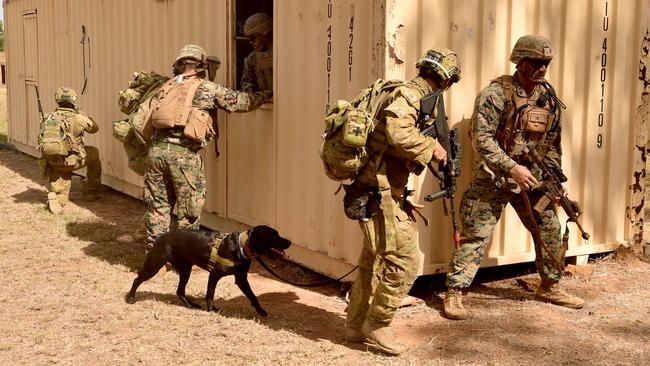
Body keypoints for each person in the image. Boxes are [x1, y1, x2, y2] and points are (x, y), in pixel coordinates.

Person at [443, 35, 584, 320]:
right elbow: (481, 139)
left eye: (546, 62)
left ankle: (549, 286)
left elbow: (551, 145)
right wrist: (511, 167)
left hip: (532, 177)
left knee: (550, 227)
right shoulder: (495, 94)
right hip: (494, 177)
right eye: (536, 62)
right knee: (477, 235)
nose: (542, 68)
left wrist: (556, 179)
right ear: (520, 63)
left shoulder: (549, 100)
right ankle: (455, 291)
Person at [343, 48, 461, 355]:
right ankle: (378, 325)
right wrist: (431, 146)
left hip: (380, 189)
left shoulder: (414, 96)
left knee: (371, 259)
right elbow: (397, 134)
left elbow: (385, 147)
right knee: (407, 261)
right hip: (375, 191)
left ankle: (355, 324)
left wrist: (401, 197)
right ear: (447, 80)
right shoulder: (410, 96)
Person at [143, 44, 270, 250]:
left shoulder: (166, 87)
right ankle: (184, 256)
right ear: (201, 65)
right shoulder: (206, 87)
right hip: (184, 157)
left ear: (179, 64)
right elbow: (241, 102)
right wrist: (265, 94)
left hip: (155, 154)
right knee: (188, 212)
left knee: (158, 207)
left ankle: (156, 255)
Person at [39, 87, 101, 214]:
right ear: (73, 100)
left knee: (61, 186)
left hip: (53, 161)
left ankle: (56, 198)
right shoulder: (78, 118)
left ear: (57, 100)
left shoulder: (48, 117)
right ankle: (91, 192)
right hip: (72, 161)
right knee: (93, 153)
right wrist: (84, 114)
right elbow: (95, 128)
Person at [240, 12, 273, 94]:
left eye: (253, 38)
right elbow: (245, 82)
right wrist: (249, 89)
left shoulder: (284, 53)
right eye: (249, 39)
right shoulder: (251, 59)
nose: (251, 42)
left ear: (264, 33)